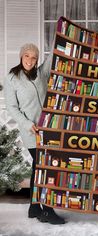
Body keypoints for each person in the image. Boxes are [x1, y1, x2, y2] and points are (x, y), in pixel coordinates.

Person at [4, 43, 65, 225]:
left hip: (47, 128)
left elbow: (53, 56)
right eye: (27, 56)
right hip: (31, 131)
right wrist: (27, 123)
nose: (30, 60)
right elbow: (12, 107)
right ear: (21, 56)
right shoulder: (12, 78)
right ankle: (46, 210)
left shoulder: (41, 74)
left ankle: (33, 207)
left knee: (38, 168)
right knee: (43, 168)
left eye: (34, 57)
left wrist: (61, 34)